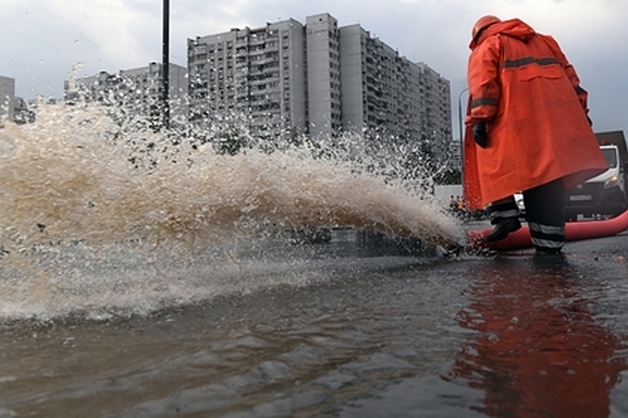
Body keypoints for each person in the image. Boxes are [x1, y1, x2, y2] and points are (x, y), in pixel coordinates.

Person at [463, 15, 608, 254]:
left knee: (489, 158)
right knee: (546, 180)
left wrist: (480, 118)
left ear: (478, 34)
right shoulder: (546, 42)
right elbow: (573, 80)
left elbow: (484, 84)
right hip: (552, 125)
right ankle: (549, 247)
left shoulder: (488, 45)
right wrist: (581, 112)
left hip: (512, 125)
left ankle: (504, 216)